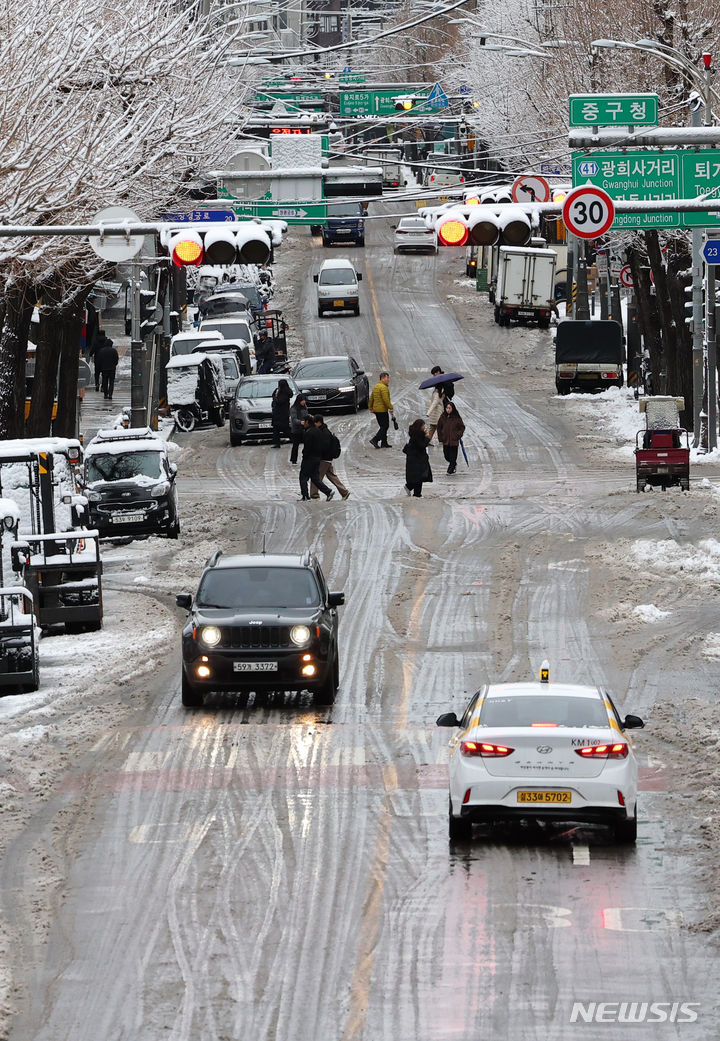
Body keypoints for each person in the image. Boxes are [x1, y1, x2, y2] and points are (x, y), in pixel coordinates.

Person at [310, 416, 350, 500]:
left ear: (318, 422)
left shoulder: (324, 433)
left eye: (314, 423)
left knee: (315, 477)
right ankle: (344, 492)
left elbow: (324, 446)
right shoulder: (324, 431)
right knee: (331, 476)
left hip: (324, 459)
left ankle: (314, 495)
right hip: (327, 459)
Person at [298, 415, 334, 501]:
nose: (303, 423)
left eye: (304, 421)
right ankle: (328, 492)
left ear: (307, 422)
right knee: (315, 478)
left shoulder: (309, 433)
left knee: (303, 477)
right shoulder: (318, 430)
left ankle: (305, 496)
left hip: (309, 459)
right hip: (317, 458)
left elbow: (307, 447)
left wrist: (304, 455)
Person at [403, 418, 432, 498]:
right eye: (423, 426)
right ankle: (415, 492)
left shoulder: (416, 434)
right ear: (419, 426)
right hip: (417, 459)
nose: (424, 427)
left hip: (415, 458)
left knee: (418, 477)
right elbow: (422, 445)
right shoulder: (418, 435)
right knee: (419, 476)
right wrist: (427, 438)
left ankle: (414, 491)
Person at [426, 365, 454, 443]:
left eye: (434, 374)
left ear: (438, 372)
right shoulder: (438, 380)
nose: (433, 375)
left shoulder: (446, 380)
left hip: (446, 403)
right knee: (438, 425)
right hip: (441, 403)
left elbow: (451, 391)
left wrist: (444, 394)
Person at [436, 400, 465, 475]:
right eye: (447, 408)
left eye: (449, 408)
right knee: (446, 456)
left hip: (454, 441)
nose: (448, 410)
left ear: (453, 409)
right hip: (445, 440)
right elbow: (439, 427)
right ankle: (453, 464)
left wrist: (457, 435)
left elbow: (462, 427)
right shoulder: (443, 417)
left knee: (453, 456)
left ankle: (450, 469)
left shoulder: (457, 418)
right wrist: (441, 437)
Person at [368, 371, 394, 448]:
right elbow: (386, 399)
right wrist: (391, 407)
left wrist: (371, 408)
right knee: (385, 426)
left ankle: (384, 443)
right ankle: (375, 440)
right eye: (387, 378)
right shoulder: (384, 388)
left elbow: (371, 398)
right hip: (382, 410)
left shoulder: (376, 386)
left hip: (376, 410)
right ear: (382, 378)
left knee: (383, 426)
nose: (388, 379)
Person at [95, 333, 119, 400]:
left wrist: (100, 368)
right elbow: (116, 360)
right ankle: (110, 394)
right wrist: (114, 365)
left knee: (104, 382)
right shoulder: (114, 351)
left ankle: (105, 394)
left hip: (104, 369)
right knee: (111, 382)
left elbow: (99, 360)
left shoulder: (101, 351)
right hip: (112, 369)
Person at [271, 378, 293, 448]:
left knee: (285, 428)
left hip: (282, 414)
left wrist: (275, 396)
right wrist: (275, 394)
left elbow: (279, 401)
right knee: (276, 429)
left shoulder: (285, 393)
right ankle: (277, 443)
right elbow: (273, 395)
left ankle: (294, 438)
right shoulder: (278, 391)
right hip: (277, 413)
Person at [289, 393, 310, 464]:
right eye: (302, 400)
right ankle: (293, 459)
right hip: (296, 430)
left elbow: (306, 415)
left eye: (304, 400)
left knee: (307, 444)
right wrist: (300, 422)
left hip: (305, 429)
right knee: (295, 445)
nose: (304, 402)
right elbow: (294, 419)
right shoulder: (293, 408)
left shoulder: (305, 407)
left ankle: (306, 458)